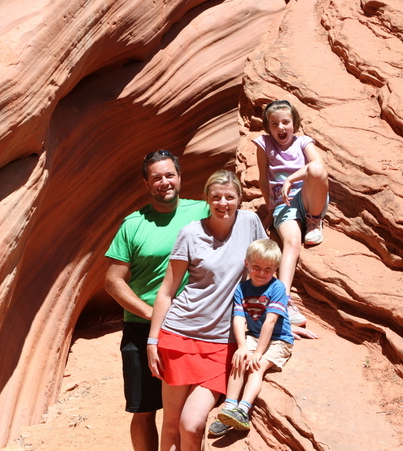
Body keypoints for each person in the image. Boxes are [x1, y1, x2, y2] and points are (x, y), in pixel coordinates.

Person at [147, 170, 268, 451]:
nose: (223, 203)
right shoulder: (190, 233)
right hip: (179, 336)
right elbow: (167, 290)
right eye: (216, 197)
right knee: (171, 423)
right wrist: (153, 340)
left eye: (229, 197)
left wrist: (282, 316)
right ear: (206, 199)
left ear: (239, 198)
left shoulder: (250, 223)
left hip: (222, 342)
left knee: (191, 424)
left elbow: (267, 269)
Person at [105, 150, 209, 451]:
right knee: (143, 408)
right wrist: (153, 314)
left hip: (192, 326)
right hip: (142, 328)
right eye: (157, 178)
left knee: (188, 411)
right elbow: (112, 281)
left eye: (169, 175)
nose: (165, 182)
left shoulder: (203, 211)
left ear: (180, 176)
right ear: (146, 183)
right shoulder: (133, 224)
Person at [253, 99, 329, 327]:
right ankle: (283, 300)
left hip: (308, 198)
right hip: (283, 205)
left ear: (294, 123)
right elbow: (263, 178)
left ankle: (314, 221)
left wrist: (290, 179)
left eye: (286, 122)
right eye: (274, 124)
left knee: (316, 169)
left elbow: (318, 164)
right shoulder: (264, 144)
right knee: (292, 242)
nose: (281, 127)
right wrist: (270, 208)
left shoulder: (303, 142)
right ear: (268, 127)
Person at [208, 239, 293, 437]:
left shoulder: (277, 288)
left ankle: (242, 410)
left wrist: (258, 352)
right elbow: (238, 318)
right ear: (247, 263)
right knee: (240, 360)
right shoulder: (242, 288)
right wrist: (242, 346)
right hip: (254, 335)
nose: (261, 273)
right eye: (256, 267)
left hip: (279, 339)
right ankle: (229, 408)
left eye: (268, 269)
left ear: (276, 268)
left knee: (256, 366)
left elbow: (270, 322)